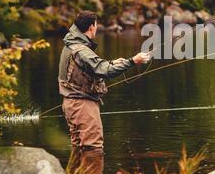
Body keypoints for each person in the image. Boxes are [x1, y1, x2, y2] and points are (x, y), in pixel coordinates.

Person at [58, 10, 149, 150]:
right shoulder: (82, 50)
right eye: (96, 24)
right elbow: (105, 70)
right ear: (91, 27)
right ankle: (92, 173)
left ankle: (75, 173)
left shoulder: (70, 44)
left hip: (71, 103)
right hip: (82, 105)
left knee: (79, 147)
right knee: (93, 147)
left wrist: (113, 63)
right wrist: (133, 61)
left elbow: (92, 67)